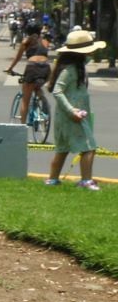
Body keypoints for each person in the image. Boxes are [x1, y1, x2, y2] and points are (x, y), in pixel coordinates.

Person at [45, 30, 102, 189]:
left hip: (66, 115)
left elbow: (89, 57)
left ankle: (52, 180)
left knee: (62, 149)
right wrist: (72, 111)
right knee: (89, 147)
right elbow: (57, 91)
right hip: (73, 115)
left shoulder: (77, 66)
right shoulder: (71, 70)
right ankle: (85, 180)